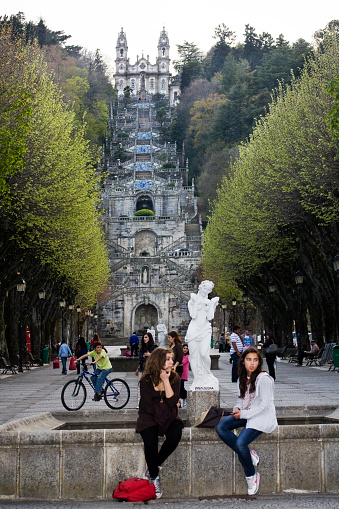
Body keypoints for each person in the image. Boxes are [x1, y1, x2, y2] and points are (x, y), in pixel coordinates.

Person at [216, 347, 277, 496]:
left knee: (240, 443)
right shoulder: (242, 378)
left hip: (261, 417)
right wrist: (237, 408)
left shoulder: (264, 379)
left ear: (259, 362)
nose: (252, 363)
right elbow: (241, 399)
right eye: (249, 360)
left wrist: (243, 414)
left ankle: (251, 475)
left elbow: (264, 406)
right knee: (221, 427)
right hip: (247, 414)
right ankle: (249, 455)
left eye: (255, 360)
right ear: (243, 362)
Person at [136, 347, 184, 499]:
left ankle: (154, 465)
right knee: (150, 443)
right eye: (168, 359)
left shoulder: (175, 378)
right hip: (149, 417)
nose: (171, 362)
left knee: (175, 434)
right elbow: (149, 406)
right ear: (159, 361)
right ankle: (155, 477)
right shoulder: (145, 380)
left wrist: (165, 381)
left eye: (171, 358)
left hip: (169, 416)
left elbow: (171, 402)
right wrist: (171, 403)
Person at [185, 280, 219, 390]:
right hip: (194, 330)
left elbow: (209, 317)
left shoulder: (208, 302)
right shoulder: (192, 299)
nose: (206, 291)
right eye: (205, 289)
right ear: (200, 287)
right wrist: (195, 302)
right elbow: (193, 315)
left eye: (208, 290)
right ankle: (197, 380)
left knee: (204, 354)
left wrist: (213, 305)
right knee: (194, 357)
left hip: (205, 329)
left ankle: (207, 374)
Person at [168, 330, 184, 399]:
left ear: (173, 337)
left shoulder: (179, 345)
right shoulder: (171, 345)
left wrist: (175, 366)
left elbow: (180, 357)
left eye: (169, 337)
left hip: (177, 367)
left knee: (176, 383)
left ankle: (179, 398)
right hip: (171, 366)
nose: (168, 339)